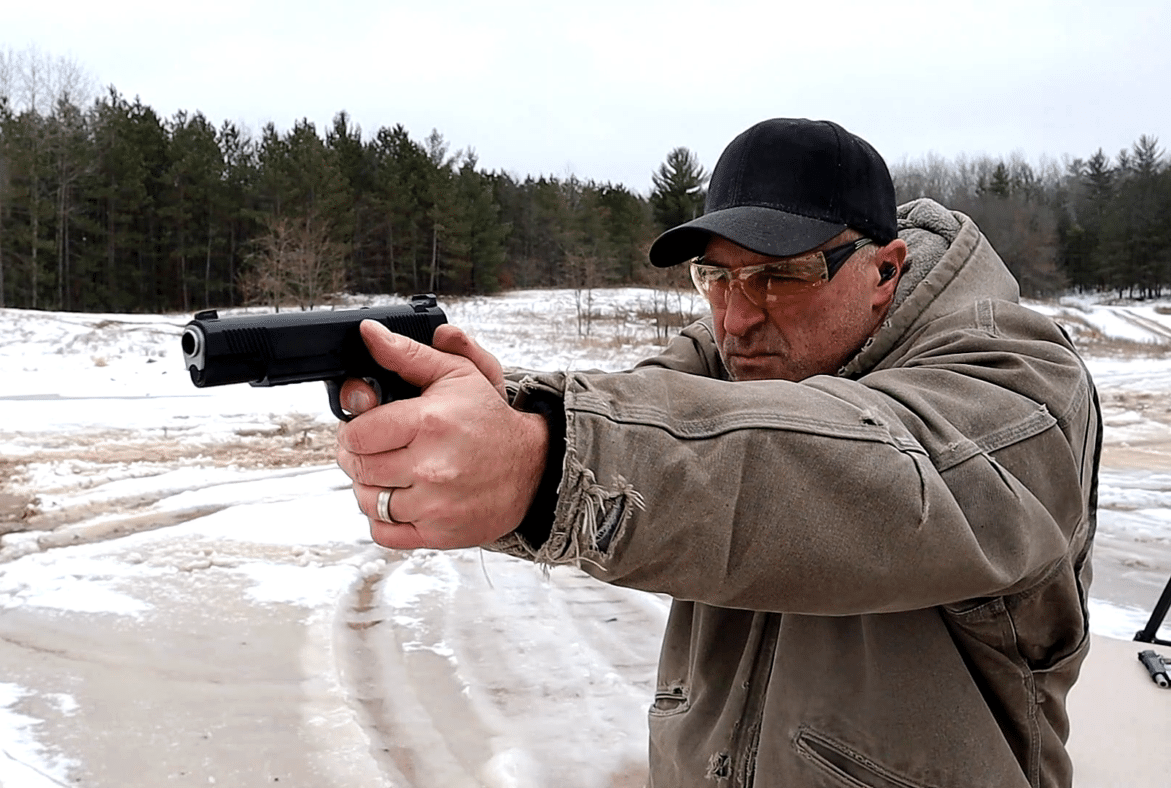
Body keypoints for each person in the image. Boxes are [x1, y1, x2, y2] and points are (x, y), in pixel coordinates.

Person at [334, 118, 1101, 788]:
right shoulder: (746, 348)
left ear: (885, 270)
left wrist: (542, 461)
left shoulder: (1021, 380)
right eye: (716, 277)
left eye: (781, 275)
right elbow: (640, 415)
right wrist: (491, 417)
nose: (735, 318)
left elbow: (853, 476)